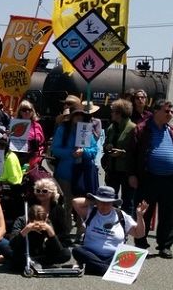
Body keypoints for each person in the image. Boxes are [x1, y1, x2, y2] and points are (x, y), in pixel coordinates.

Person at [128, 99, 173, 258]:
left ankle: (164, 246)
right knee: (144, 212)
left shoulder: (170, 130)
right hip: (148, 178)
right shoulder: (141, 129)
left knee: (168, 214)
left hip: (169, 180)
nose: (170, 114)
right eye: (167, 111)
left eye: (171, 111)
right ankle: (141, 244)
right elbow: (132, 154)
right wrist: (132, 174)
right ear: (156, 111)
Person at [72, 186, 148, 275]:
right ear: (97, 201)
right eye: (101, 202)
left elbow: (139, 234)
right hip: (91, 254)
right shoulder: (90, 212)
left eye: (108, 203)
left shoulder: (121, 215)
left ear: (112, 203)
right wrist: (95, 201)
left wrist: (140, 216)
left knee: (133, 254)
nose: (104, 206)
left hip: (114, 256)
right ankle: (108, 269)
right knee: (77, 250)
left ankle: (97, 267)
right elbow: (75, 202)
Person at [51, 107, 98, 236]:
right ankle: (65, 231)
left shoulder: (87, 129)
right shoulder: (63, 130)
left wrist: (84, 152)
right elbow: (55, 149)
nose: (79, 117)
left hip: (82, 174)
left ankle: (81, 230)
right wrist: (71, 154)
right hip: (65, 172)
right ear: (71, 117)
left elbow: (94, 150)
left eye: (81, 115)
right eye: (76, 115)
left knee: (82, 203)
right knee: (66, 203)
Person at [9, 179, 71, 270]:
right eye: (38, 191)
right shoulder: (28, 209)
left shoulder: (58, 210)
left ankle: (34, 261)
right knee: (14, 255)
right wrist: (27, 228)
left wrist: (50, 232)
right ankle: (35, 261)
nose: (41, 193)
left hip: (48, 247)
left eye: (44, 191)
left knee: (65, 254)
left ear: (51, 193)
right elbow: (13, 243)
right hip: (29, 246)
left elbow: (64, 236)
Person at [102, 99, 136, 216]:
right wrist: (108, 146)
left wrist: (123, 153)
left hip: (126, 170)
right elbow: (105, 144)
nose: (111, 113)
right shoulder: (112, 127)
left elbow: (136, 151)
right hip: (112, 169)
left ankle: (126, 229)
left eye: (113, 111)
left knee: (127, 201)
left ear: (119, 113)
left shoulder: (133, 128)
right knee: (111, 198)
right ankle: (111, 223)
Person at [14, 99, 45, 168]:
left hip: (33, 160)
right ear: (20, 112)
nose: (27, 112)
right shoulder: (15, 125)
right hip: (18, 158)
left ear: (32, 111)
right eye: (24, 109)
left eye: (29, 110)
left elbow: (42, 143)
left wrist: (39, 153)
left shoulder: (37, 126)